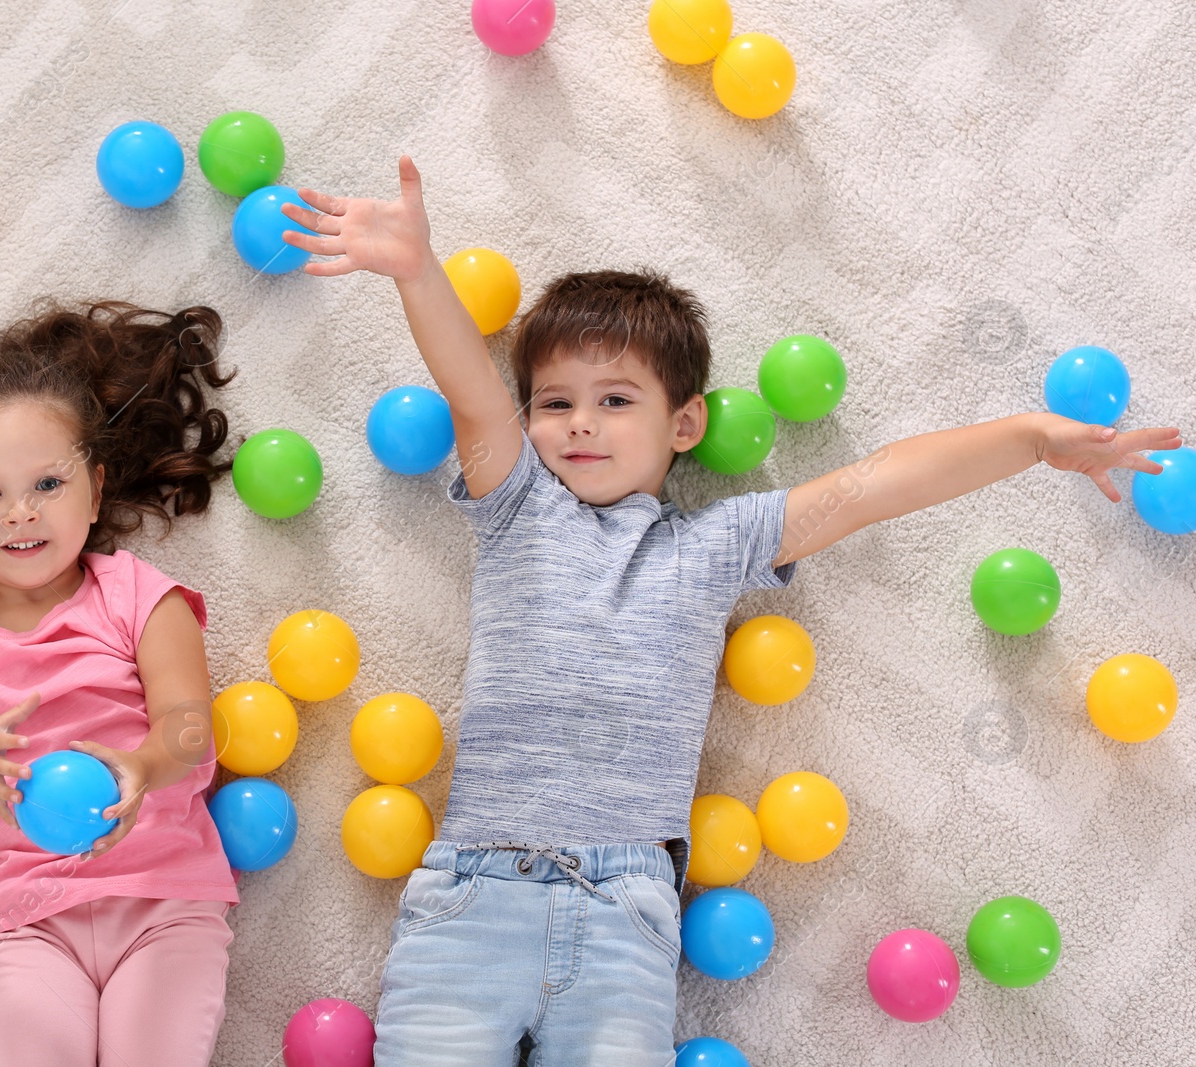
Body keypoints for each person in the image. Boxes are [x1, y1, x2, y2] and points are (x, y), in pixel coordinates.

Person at [278, 156, 1182, 1064]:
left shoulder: (719, 542)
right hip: (474, 896)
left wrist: (1029, 438)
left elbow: (873, 486)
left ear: (686, 425)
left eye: (616, 400)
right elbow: (473, 397)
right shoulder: (520, 504)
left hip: (624, 915)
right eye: (555, 403)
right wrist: (413, 270)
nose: (580, 422)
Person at [0, 298, 244, 1067]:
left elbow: (189, 723)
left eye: (47, 483)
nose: (19, 514)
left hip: (163, 902)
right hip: (25, 917)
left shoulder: (138, 595)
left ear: (96, 488)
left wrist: (142, 765)